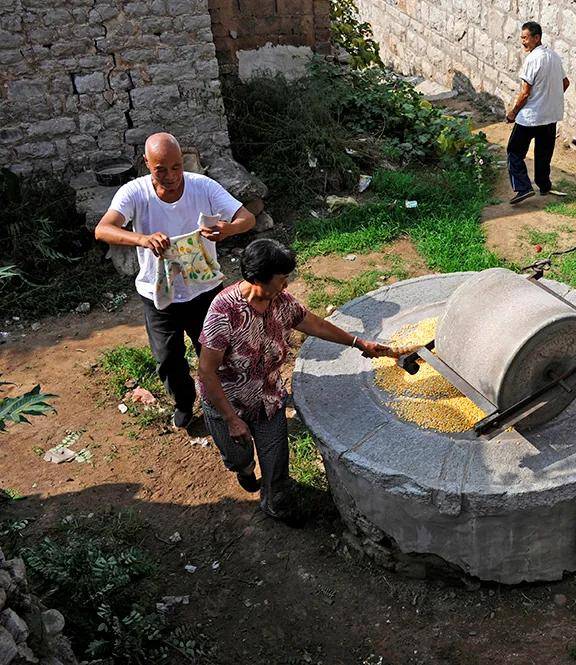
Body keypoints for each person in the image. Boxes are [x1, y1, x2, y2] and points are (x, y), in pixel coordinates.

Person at [197, 239, 399, 524]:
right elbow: (206, 372)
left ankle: (274, 503)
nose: (286, 285)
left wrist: (358, 342)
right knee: (238, 456)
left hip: (268, 398)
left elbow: (313, 323)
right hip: (227, 403)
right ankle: (243, 469)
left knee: (276, 461)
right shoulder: (224, 312)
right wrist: (231, 419)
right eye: (281, 280)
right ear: (256, 279)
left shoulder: (280, 301)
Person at [95, 133, 256, 428]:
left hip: (205, 289)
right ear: (147, 164)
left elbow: (247, 218)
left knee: (213, 351)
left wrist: (228, 230)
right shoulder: (134, 192)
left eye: (176, 167)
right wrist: (142, 239)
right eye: (161, 169)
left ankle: (222, 404)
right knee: (168, 359)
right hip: (158, 294)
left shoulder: (202, 186)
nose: (170, 176)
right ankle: (184, 403)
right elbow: (103, 229)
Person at [505, 21, 570, 205]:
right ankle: (544, 185)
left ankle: (523, 187)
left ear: (536, 37)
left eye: (525, 38)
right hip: (550, 116)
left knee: (514, 152)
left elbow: (525, 92)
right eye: (521, 38)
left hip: (530, 117)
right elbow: (565, 83)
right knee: (543, 153)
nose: (523, 42)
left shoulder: (532, 59)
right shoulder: (554, 57)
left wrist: (513, 112)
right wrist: (549, 99)